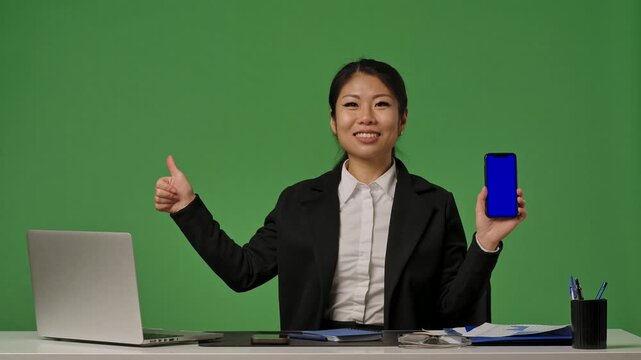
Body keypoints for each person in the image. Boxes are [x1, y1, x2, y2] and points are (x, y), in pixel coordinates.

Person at [154, 59, 527, 331]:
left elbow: (451, 309)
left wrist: (486, 242)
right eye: (351, 105)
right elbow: (243, 271)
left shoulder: (434, 204)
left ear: (402, 121)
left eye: (381, 104)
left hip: (405, 356)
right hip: (314, 355)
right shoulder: (298, 202)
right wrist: (187, 208)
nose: (366, 117)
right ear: (333, 122)